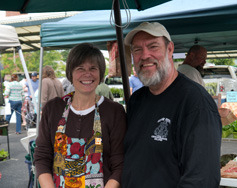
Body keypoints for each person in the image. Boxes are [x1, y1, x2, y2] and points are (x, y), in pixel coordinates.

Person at [121, 22, 222, 187]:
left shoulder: (196, 103)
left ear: (170, 49)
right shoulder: (137, 100)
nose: (145, 55)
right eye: (137, 49)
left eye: (153, 46)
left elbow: (201, 179)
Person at [34, 43, 126, 188]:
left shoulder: (114, 111)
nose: (87, 74)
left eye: (93, 68)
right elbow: (42, 157)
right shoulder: (53, 109)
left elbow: (119, 163)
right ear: (70, 73)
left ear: (101, 73)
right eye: (80, 68)